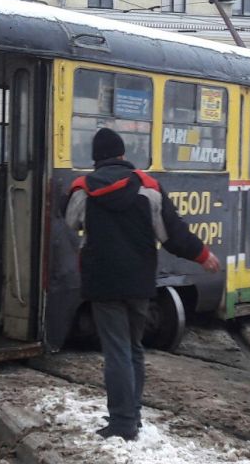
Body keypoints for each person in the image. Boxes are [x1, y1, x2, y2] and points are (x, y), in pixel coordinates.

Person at [65, 128, 220, 441]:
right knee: (133, 348)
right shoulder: (148, 188)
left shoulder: (82, 189)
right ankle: (131, 415)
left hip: (102, 281)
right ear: (123, 155)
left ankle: (122, 422)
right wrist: (202, 255)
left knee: (117, 351)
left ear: (95, 158)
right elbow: (173, 235)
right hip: (139, 281)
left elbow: (71, 222)